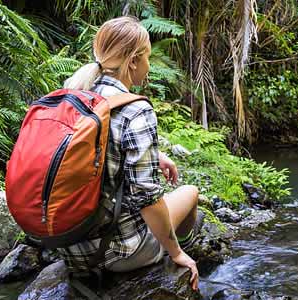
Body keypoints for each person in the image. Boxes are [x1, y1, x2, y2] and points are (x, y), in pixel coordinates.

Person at [57, 16, 200, 291]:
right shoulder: (136, 110)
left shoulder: (75, 94)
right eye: (147, 57)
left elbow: (91, 152)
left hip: (67, 246)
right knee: (190, 193)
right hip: (117, 252)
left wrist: (153, 156)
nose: (148, 65)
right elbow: (146, 196)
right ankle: (175, 253)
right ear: (134, 60)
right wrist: (175, 253)